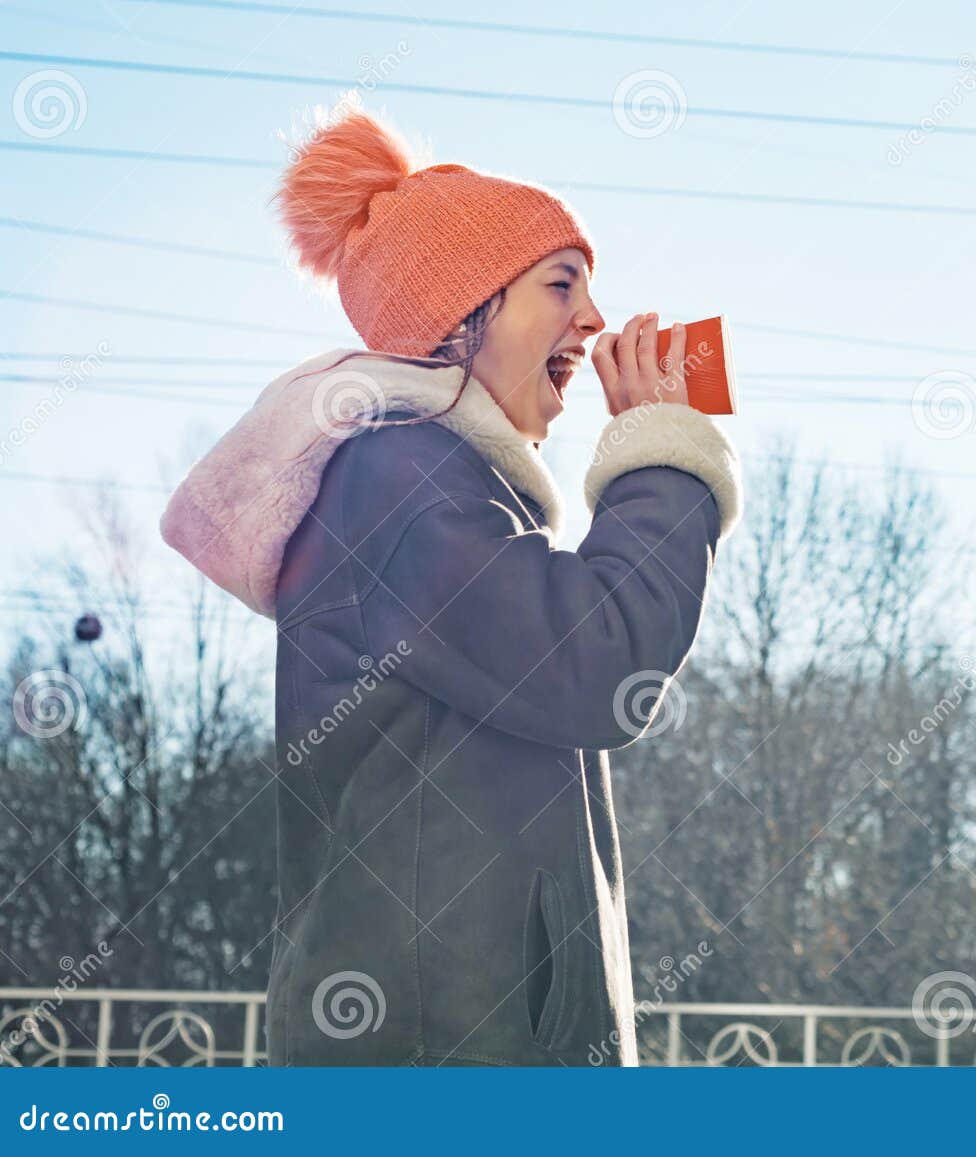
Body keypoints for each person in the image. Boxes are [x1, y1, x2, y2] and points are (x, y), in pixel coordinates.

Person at [160, 102, 743, 1066]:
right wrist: (662, 460)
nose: (594, 320)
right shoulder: (400, 477)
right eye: (560, 285)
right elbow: (598, 661)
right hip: (441, 1055)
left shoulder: (437, 484)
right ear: (457, 316)